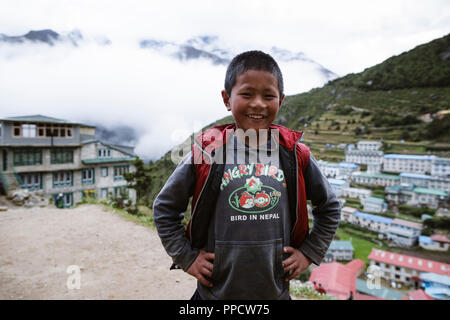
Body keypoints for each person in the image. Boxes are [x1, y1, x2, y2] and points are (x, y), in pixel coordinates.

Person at [153, 50, 341, 300]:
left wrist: (308, 253)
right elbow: (165, 207)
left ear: (281, 100)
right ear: (227, 99)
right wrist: (187, 258)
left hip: (275, 293)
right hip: (213, 295)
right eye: (247, 93)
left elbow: (329, 207)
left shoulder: (294, 155)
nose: (258, 104)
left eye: (268, 95)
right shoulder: (209, 153)